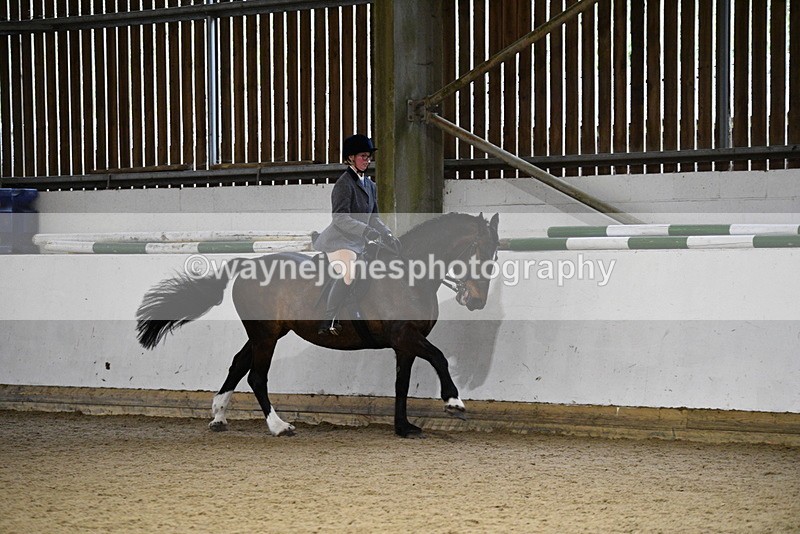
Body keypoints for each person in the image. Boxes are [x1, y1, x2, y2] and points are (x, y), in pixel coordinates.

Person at [313, 134, 399, 336]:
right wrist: (366, 230)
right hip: (339, 241)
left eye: (369, 156)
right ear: (350, 158)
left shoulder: (370, 185)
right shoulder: (343, 184)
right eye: (363, 156)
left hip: (358, 240)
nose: (367, 160)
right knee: (350, 273)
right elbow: (340, 218)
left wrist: (386, 233)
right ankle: (329, 319)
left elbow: (374, 217)